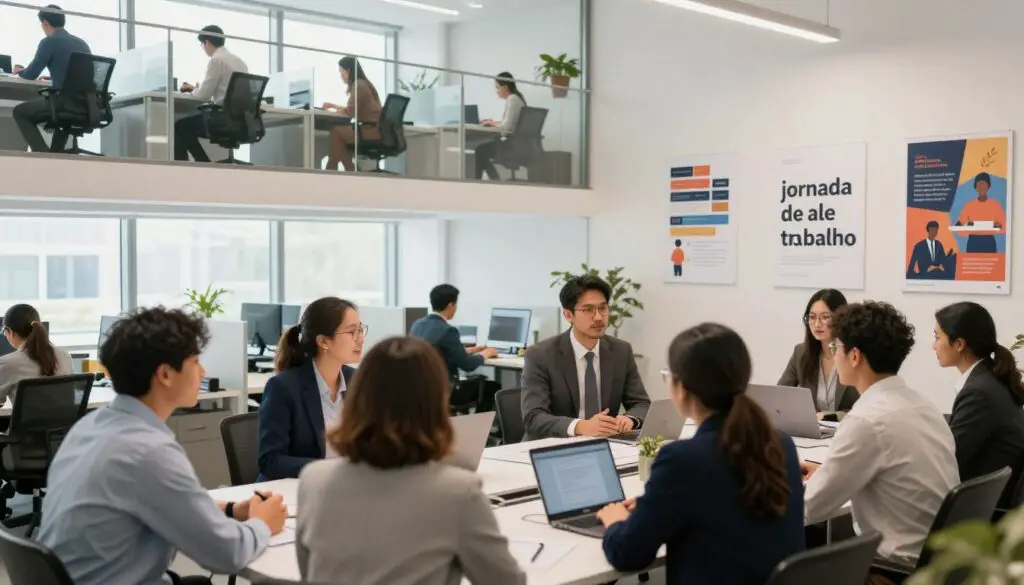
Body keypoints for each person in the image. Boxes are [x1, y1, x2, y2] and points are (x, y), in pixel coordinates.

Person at [36, 307, 288, 585]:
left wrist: (230, 509)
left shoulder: (90, 427)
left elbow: (167, 497)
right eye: (195, 361)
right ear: (166, 374)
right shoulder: (147, 451)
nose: (203, 371)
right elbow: (227, 554)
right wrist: (263, 523)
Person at [296, 336, 525, 585]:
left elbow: (309, 574)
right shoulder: (458, 492)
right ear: (437, 400)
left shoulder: (313, 479)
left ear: (358, 397)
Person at [598, 323, 805, 584]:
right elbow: (722, 504)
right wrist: (655, 505)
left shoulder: (681, 460)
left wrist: (615, 522)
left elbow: (627, 554)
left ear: (681, 387)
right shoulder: (780, 444)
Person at [802, 301, 958, 576]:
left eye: (835, 347)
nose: (833, 355)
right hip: (938, 562)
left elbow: (810, 508)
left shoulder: (866, 420)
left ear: (854, 356)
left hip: (891, 570)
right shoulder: (923, 405)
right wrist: (826, 473)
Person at [521, 274, 650, 440]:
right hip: (553, 447)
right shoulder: (540, 355)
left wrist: (629, 419)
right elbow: (534, 418)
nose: (598, 317)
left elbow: (641, 403)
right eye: (588, 310)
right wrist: (582, 426)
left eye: (603, 308)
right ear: (568, 315)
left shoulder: (620, 351)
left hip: (605, 443)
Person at [258, 297, 365, 480]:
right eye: (352, 332)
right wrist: (330, 469)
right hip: (295, 491)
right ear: (324, 342)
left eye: (361, 330)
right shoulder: (284, 387)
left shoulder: (358, 381)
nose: (360, 339)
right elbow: (270, 460)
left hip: (347, 487)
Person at [933, 301, 1024, 508]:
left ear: (959, 344)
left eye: (937, 337)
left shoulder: (979, 392)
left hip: (984, 510)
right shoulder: (991, 377)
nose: (933, 345)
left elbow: (947, 460)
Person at [12, 4, 91, 154]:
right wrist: (55, 75)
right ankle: (55, 156)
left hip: (64, 102)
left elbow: (31, 74)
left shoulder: (49, 42)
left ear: (45, 23)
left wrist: (19, 71)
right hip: (86, 103)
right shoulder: (82, 43)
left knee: (19, 112)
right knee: (61, 118)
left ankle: (42, 155)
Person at [409, 284, 499, 408]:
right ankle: (480, 426)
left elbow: (439, 351)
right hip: (448, 390)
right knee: (492, 387)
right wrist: (484, 355)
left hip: (422, 388)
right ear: (451, 305)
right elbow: (467, 365)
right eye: (456, 305)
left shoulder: (417, 325)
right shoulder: (448, 330)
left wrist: (467, 350)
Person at [778, 289, 859, 419]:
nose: (817, 324)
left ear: (841, 319)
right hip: (812, 433)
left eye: (825, 317)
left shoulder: (854, 355)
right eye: (812, 317)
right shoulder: (800, 353)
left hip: (847, 431)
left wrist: (835, 416)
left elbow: (866, 407)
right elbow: (780, 396)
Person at [174, 25, 249, 162]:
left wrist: (192, 90)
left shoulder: (216, 60)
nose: (203, 48)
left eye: (202, 44)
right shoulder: (240, 62)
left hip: (221, 118)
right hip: (240, 119)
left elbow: (203, 96)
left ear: (207, 42)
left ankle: (202, 163)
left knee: (180, 126)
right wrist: (195, 89)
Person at [0, 303, 72, 405]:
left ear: (9, 332)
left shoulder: (7, 363)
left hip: (27, 421)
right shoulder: (64, 356)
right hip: (65, 421)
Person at [323, 56, 382, 172]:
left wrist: (334, 108)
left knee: (336, 132)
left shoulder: (359, 85)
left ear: (349, 71)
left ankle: (345, 170)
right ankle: (340, 170)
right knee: (339, 141)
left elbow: (350, 112)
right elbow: (352, 108)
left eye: (341, 71)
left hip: (370, 130)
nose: (340, 76)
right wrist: (334, 106)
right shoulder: (363, 84)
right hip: (373, 129)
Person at [475, 72, 527, 180]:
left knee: (480, 150)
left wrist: (491, 124)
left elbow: (506, 128)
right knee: (482, 151)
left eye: (498, 88)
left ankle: (480, 183)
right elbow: (510, 123)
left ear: (505, 87)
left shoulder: (512, 99)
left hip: (511, 145)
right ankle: (495, 180)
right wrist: (494, 122)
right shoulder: (517, 99)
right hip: (517, 144)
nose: (497, 91)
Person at [956, 172, 1007, 253]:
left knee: (990, 264)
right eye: (979, 185)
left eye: (984, 185)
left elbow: (1003, 227)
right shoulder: (969, 205)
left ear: (988, 187)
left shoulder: (995, 205)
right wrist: (961, 225)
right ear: (976, 187)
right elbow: (960, 228)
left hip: (989, 242)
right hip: (973, 242)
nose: (982, 188)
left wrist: (998, 226)